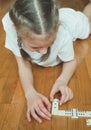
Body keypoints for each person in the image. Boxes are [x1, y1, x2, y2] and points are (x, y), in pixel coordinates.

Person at [2, 0, 91, 123]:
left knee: (87, 23)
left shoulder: (62, 33)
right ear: (16, 29)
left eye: (51, 43)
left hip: (73, 23)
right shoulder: (14, 30)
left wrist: (62, 81)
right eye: (35, 47)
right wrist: (30, 93)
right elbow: (23, 64)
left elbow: (71, 61)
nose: (44, 52)